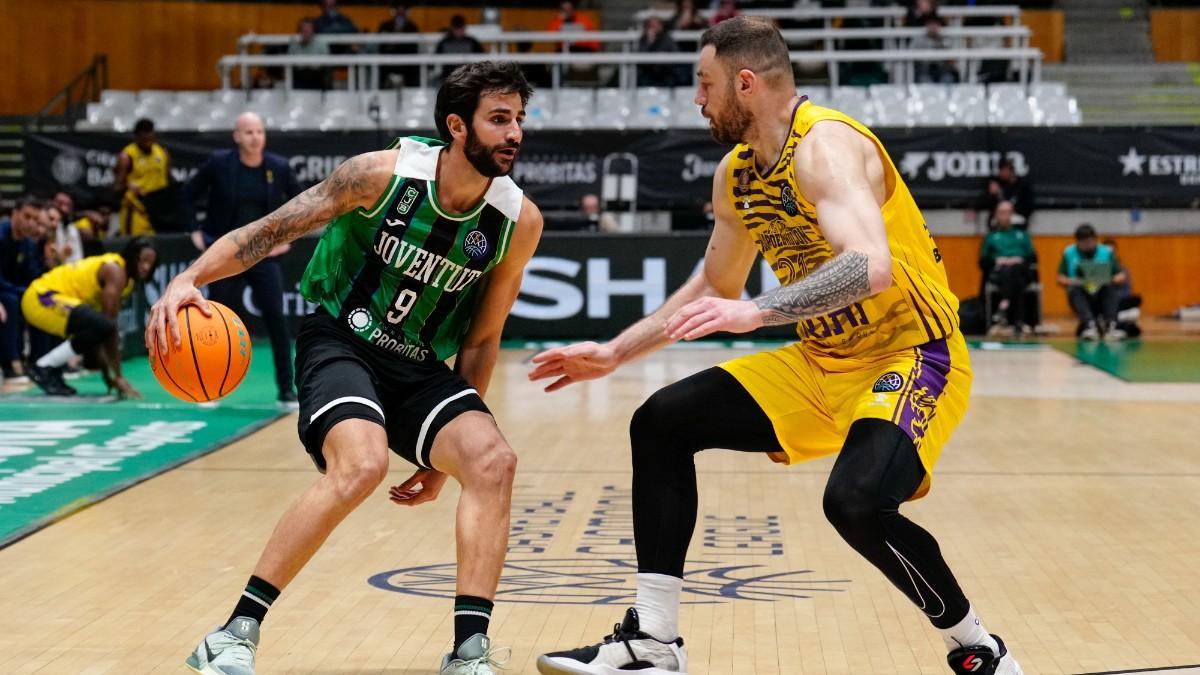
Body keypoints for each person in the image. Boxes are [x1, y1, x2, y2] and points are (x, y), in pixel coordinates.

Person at [530, 17, 1022, 675]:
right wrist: (617, 351)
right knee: (661, 422)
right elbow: (716, 281)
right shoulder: (737, 174)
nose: (697, 100)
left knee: (854, 502)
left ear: (745, 83)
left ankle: (977, 647)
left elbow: (869, 265)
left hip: (911, 353)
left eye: (704, 85)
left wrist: (758, 310)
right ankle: (652, 643)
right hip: (821, 362)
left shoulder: (827, 146)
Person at [150, 61, 543, 675]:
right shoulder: (378, 175)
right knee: (361, 464)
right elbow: (267, 231)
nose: (514, 132)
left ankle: (469, 653)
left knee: (493, 462)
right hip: (343, 341)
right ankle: (233, 634)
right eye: (500, 119)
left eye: (519, 119)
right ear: (457, 127)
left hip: (419, 364)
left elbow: (484, 335)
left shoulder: (518, 221)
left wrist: (444, 458)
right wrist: (189, 278)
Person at [181, 112, 303, 406]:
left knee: (277, 319)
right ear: (236, 136)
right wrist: (194, 230)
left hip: (263, 254)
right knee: (211, 321)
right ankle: (208, 388)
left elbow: (304, 206)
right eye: (248, 132)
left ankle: (287, 389)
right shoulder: (220, 164)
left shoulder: (279, 167)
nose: (255, 137)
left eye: (259, 131)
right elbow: (186, 193)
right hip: (223, 254)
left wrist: (286, 240)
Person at [21, 237, 156, 399]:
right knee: (101, 325)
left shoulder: (127, 282)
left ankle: (51, 370)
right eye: (142, 261)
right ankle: (42, 367)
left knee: (96, 328)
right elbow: (109, 326)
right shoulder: (115, 271)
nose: (146, 267)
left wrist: (109, 374)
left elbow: (103, 332)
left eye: (151, 263)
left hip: (54, 299)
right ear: (132, 257)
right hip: (41, 296)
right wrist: (117, 376)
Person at [0, 197, 46, 383]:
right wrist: (22, 291)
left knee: (43, 300)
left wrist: (49, 263)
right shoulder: (1, 237)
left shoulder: (28, 245)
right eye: (27, 216)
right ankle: (11, 362)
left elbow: (33, 277)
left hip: (15, 291)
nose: (30, 223)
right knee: (11, 301)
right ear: (14, 214)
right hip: (5, 292)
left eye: (35, 219)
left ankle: (41, 363)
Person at [1057, 224, 1125, 341]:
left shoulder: (1106, 252)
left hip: (1101, 293)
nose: (1088, 245)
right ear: (1078, 242)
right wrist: (1072, 281)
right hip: (1081, 294)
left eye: (1090, 241)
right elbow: (1060, 277)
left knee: (1108, 288)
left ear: (1095, 240)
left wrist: (1109, 279)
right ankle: (1090, 325)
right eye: (1084, 242)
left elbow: (1120, 275)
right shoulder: (1069, 252)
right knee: (1075, 290)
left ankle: (1111, 325)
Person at [979, 201, 1035, 337]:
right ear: (996, 215)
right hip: (999, 273)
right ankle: (1018, 322)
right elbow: (982, 260)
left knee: (1015, 270)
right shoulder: (991, 237)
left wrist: (1018, 259)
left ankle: (1003, 309)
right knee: (1012, 275)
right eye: (1001, 212)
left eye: (1007, 212)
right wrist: (997, 260)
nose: (1004, 216)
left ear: (1012, 214)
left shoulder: (1021, 235)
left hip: (1021, 270)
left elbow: (1032, 256)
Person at [114, 118, 171, 236]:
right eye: (144, 135)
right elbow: (116, 187)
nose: (147, 139)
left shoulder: (162, 153)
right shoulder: (127, 156)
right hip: (137, 211)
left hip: (158, 211)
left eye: (149, 134)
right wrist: (127, 185)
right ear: (137, 137)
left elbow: (169, 179)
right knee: (135, 248)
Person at [985, 158, 1033, 229]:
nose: (1003, 173)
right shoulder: (997, 184)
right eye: (1001, 170)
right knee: (996, 221)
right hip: (999, 217)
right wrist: (993, 195)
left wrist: (1012, 210)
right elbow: (990, 207)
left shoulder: (1021, 186)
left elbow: (1028, 206)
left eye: (1005, 170)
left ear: (1011, 171)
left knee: (1016, 221)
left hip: (1016, 216)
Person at [911, 16, 960, 84]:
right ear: (927, 26)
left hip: (942, 70)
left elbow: (952, 59)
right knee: (924, 80)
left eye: (935, 25)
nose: (933, 27)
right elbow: (913, 56)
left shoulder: (945, 39)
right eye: (931, 25)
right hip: (925, 70)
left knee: (948, 78)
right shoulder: (919, 40)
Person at [637, 16, 683, 88]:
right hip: (648, 71)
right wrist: (650, 42)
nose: (654, 28)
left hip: (664, 70)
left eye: (657, 25)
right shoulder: (644, 39)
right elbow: (640, 56)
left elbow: (676, 53)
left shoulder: (667, 38)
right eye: (651, 26)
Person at [435, 15, 486, 80]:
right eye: (457, 28)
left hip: (468, 77)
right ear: (452, 28)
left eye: (461, 27)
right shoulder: (444, 42)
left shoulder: (472, 42)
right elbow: (435, 58)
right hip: (448, 77)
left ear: (464, 28)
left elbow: (482, 57)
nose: (459, 31)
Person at [288, 19, 331, 90]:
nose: (306, 31)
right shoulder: (294, 44)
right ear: (299, 31)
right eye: (303, 29)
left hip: (317, 75)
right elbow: (289, 62)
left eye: (308, 28)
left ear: (313, 30)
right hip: (299, 75)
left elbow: (327, 63)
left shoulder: (322, 44)